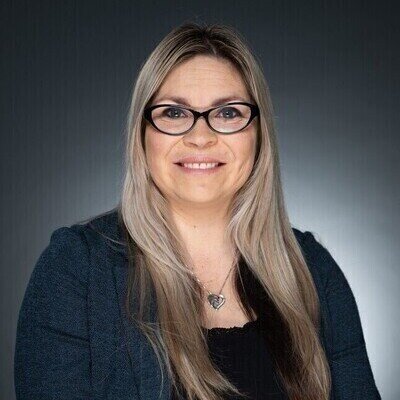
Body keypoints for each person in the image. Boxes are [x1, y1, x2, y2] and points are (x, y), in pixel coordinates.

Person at [14, 22, 381, 400]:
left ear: (258, 135)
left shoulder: (313, 270)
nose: (201, 137)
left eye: (228, 113)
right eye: (174, 113)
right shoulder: (76, 268)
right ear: (142, 134)